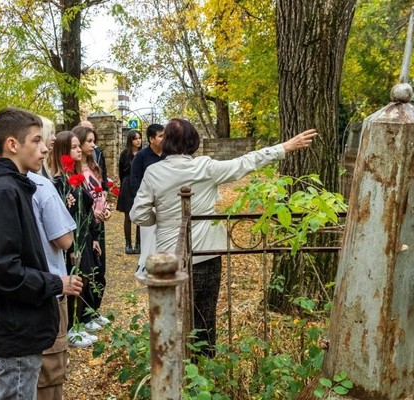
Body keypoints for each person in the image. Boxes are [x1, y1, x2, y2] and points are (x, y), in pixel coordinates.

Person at [130, 118, 317, 352]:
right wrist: (284, 147)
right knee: (204, 314)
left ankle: (172, 366)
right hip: (205, 255)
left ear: (166, 142)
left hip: (169, 257)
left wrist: (161, 220)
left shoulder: (153, 172)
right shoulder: (205, 167)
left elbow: (138, 214)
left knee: (171, 314)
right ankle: (204, 366)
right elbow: (244, 162)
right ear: (193, 142)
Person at [0, 108, 83, 400]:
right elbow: (2, 267)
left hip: (20, 321)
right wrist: (56, 283)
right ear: (13, 144)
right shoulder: (4, 191)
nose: (45, 149)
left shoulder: (15, 186)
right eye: (36, 140)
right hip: (14, 325)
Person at [28, 154, 77, 398]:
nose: (44, 151)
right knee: (49, 372)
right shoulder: (41, 185)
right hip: (49, 287)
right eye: (38, 141)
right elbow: (64, 239)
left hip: (14, 293)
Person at [50, 131, 101, 347]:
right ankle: (71, 327)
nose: (79, 150)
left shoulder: (77, 179)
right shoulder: (60, 183)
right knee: (76, 280)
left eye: (78, 146)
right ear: (63, 152)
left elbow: (85, 211)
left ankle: (79, 322)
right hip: (73, 241)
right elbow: (65, 216)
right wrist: (71, 248)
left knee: (85, 278)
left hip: (84, 237)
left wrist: (94, 237)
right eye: (73, 147)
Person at [71, 125, 111, 331]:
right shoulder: (75, 172)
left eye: (93, 141)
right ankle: (84, 316)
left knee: (100, 268)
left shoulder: (95, 166)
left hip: (99, 223)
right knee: (88, 269)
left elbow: (101, 191)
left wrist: (107, 208)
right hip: (86, 225)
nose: (92, 145)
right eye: (89, 141)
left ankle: (95, 310)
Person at [130, 123, 165, 273]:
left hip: (165, 202)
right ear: (151, 139)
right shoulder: (141, 156)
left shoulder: (169, 155)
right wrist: (145, 199)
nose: (164, 139)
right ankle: (146, 263)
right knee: (148, 234)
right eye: (161, 136)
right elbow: (135, 179)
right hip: (149, 202)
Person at [117, 130, 142, 254]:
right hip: (127, 185)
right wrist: (124, 185)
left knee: (140, 214)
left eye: (139, 138)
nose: (138, 140)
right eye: (135, 138)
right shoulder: (124, 154)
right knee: (128, 216)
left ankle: (139, 243)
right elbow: (121, 172)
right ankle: (128, 243)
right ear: (130, 140)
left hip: (140, 184)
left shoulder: (143, 154)